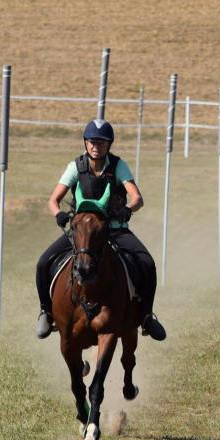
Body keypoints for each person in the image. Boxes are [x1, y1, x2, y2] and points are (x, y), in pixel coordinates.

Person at [34, 119, 166, 341]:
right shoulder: (75, 167)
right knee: (42, 263)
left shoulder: (118, 166)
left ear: (109, 145)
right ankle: (46, 312)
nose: (96, 146)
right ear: (85, 143)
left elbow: (137, 198)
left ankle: (146, 316)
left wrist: (128, 209)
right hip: (82, 234)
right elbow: (53, 200)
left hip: (114, 229)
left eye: (101, 142)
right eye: (92, 142)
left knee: (147, 263)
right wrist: (58, 214)